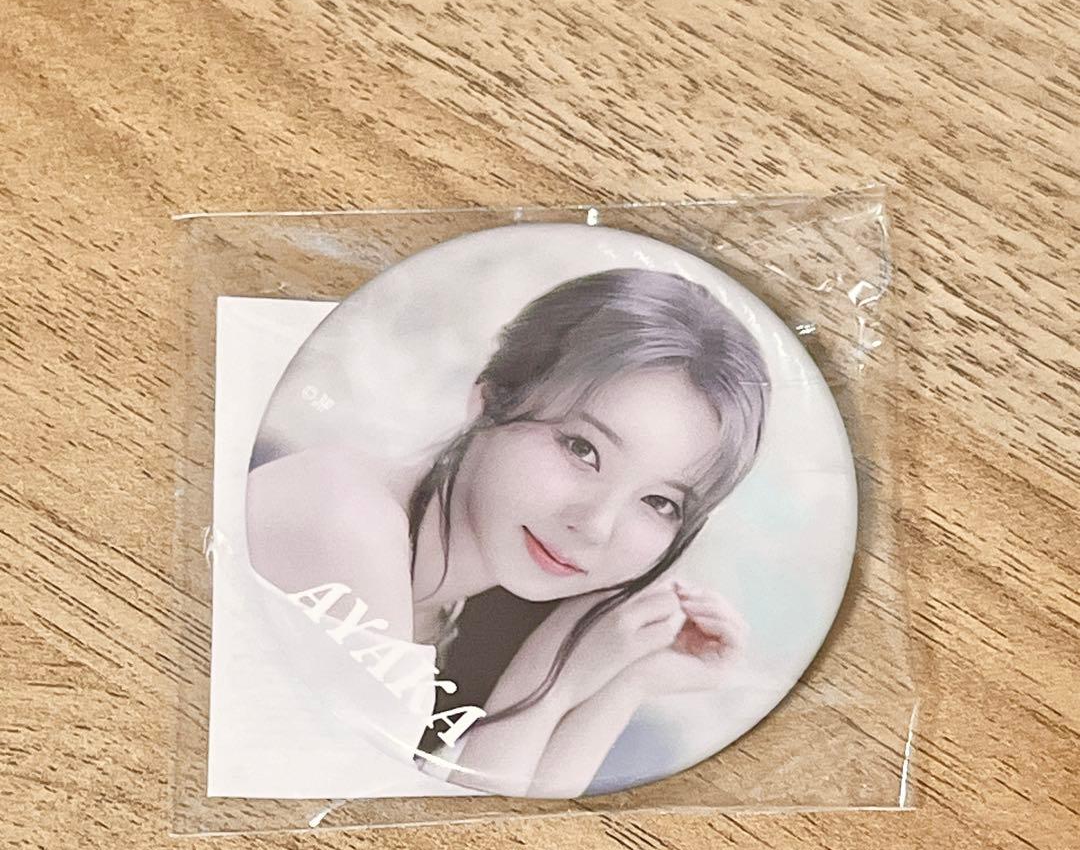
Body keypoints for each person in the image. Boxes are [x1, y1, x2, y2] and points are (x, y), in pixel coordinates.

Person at [245, 268, 770, 798]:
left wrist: (626, 684)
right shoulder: (347, 527)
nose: (595, 526)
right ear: (490, 400)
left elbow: (528, 828)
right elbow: (425, 834)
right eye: (582, 449)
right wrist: (546, 688)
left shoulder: (476, 598)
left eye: (659, 502)